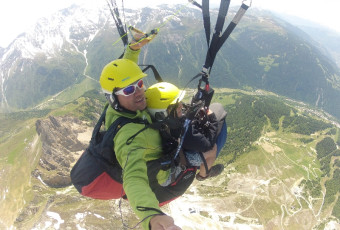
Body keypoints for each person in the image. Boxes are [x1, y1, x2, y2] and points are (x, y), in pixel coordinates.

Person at [100, 40, 182, 229]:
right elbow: (133, 177)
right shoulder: (128, 135)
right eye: (129, 90)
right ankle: (204, 171)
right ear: (113, 97)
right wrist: (152, 216)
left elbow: (123, 74)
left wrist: (132, 50)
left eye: (139, 83)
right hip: (160, 186)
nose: (139, 93)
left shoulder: (118, 106)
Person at [145, 82, 227, 182]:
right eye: (175, 106)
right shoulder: (183, 130)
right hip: (174, 167)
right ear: (162, 113)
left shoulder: (158, 122)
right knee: (212, 150)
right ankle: (203, 175)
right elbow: (207, 145)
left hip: (167, 157)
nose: (180, 106)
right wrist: (212, 118)